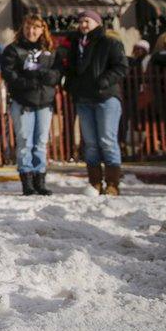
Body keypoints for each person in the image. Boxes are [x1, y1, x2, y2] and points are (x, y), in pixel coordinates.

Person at [65, 10, 128, 196]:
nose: (83, 25)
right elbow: (70, 69)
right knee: (90, 143)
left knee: (107, 140)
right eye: (81, 21)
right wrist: (71, 86)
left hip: (106, 98)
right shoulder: (76, 45)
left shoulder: (110, 42)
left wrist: (104, 81)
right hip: (84, 99)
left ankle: (112, 183)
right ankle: (95, 182)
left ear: (97, 23)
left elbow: (121, 66)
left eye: (87, 21)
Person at [1, 15, 62, 196]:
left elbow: (56, 74)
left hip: (44, 101)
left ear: (42, 29)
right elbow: (9, 74)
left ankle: (40, 180)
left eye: (36, 27)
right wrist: (29, 82)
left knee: (41, 142)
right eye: (28, 27)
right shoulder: (13, 50)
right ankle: (27, 182)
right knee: (25, 141)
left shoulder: (50, 50)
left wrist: (41, 73)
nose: (32, 31)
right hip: (22, 101)